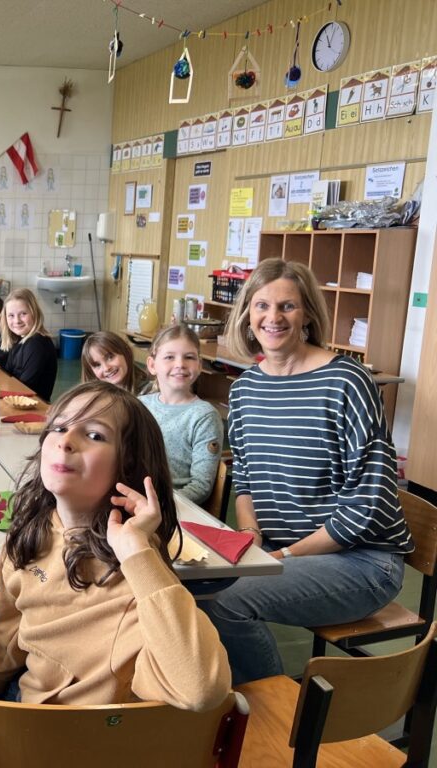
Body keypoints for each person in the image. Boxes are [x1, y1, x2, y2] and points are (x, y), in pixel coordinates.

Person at [0, 382, 232, 767]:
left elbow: (202, 690)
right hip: (43, 693)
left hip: (71, 741)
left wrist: (138, 553)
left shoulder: (133, 573)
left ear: (130, 468)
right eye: (59, 426)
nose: (66, 440)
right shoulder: (35, 530)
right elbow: (11, 618)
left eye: (94, 435)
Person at [203, 258, 413, 684]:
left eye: (288, 306)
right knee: (183, 587)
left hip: (362, 562)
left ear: (308, 315)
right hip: (282, 550)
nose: (273, 317)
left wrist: (282, 556)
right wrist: (251, 536)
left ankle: (273, 712)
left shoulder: (348, 382)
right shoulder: (246, 389)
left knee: (223, 602)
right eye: (262, 306)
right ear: (247, 315)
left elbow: (366, 506)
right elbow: (246, 478)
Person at [139, 325, 223, 505]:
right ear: (152, 365)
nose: (180, 364)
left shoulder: (204, 416)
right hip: (133, 497)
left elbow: (200, 486)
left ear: (199, 365)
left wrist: (159, 506)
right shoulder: (140, 405)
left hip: (173, 507)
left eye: (189, 357)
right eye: (169, 357)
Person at [0, 288, 57, 402]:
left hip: (32, 406)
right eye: (11, 315)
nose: (17, 320)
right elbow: (7, 374)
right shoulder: (20, 341)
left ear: (34, 313)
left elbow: (24, 388)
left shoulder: (37, 344)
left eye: (23, 314)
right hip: (18, 402)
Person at [82, 330, 147, 394]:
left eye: (110, 357)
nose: (106, 368)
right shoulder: (93, 395)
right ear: (91, 371)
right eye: (97, 365)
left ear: (126, 352)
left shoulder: (147, 393)